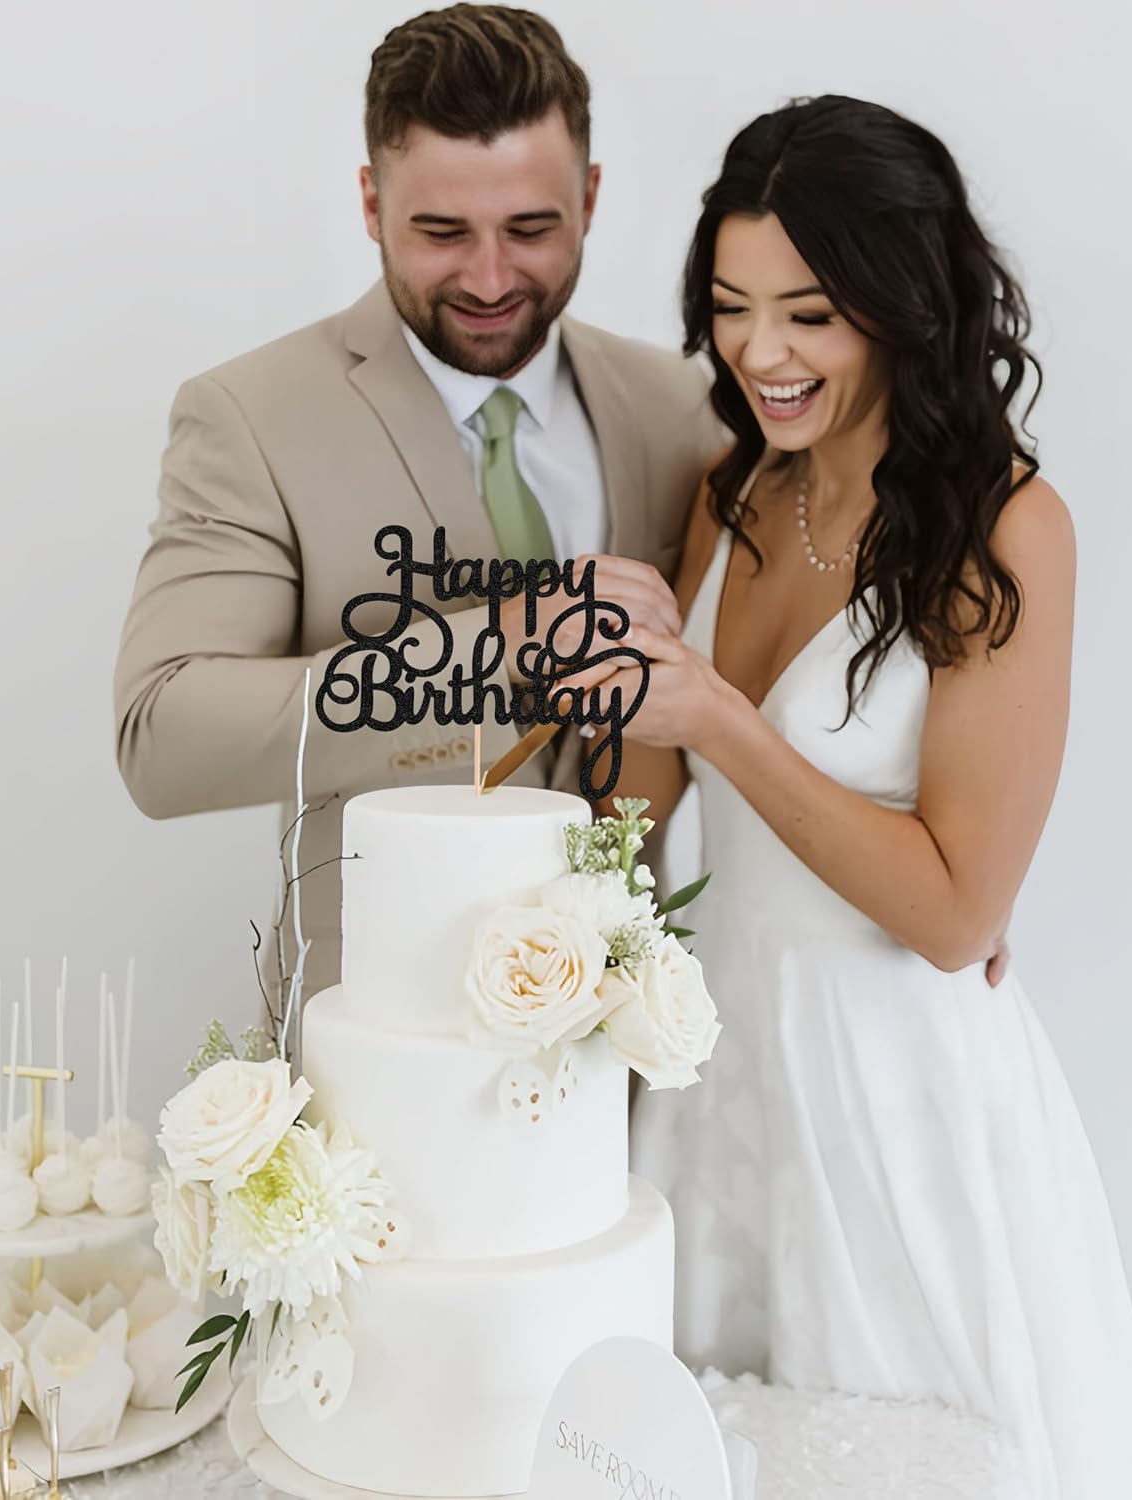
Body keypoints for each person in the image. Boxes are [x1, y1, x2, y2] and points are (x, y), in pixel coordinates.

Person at [602, 95, 1132, 1498]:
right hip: (715, 1085)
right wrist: (620, 668)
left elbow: (954, 913)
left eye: (807, 314)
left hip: (890, 1102)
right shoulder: (732, 491)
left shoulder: (1004, 529)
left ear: (903, 306)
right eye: (730, 309)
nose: (759, 353)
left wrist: (718, 715)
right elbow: (641, 818)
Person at [113, 4, 722, 996]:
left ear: (590, 197)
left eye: (530, 228)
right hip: (367, 1026)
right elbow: (164, 738)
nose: (489, 277)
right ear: (370, 202)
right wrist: (502, 647)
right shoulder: (249, 416)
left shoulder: (679, 406)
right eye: (440, 232)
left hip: (622, 1031)